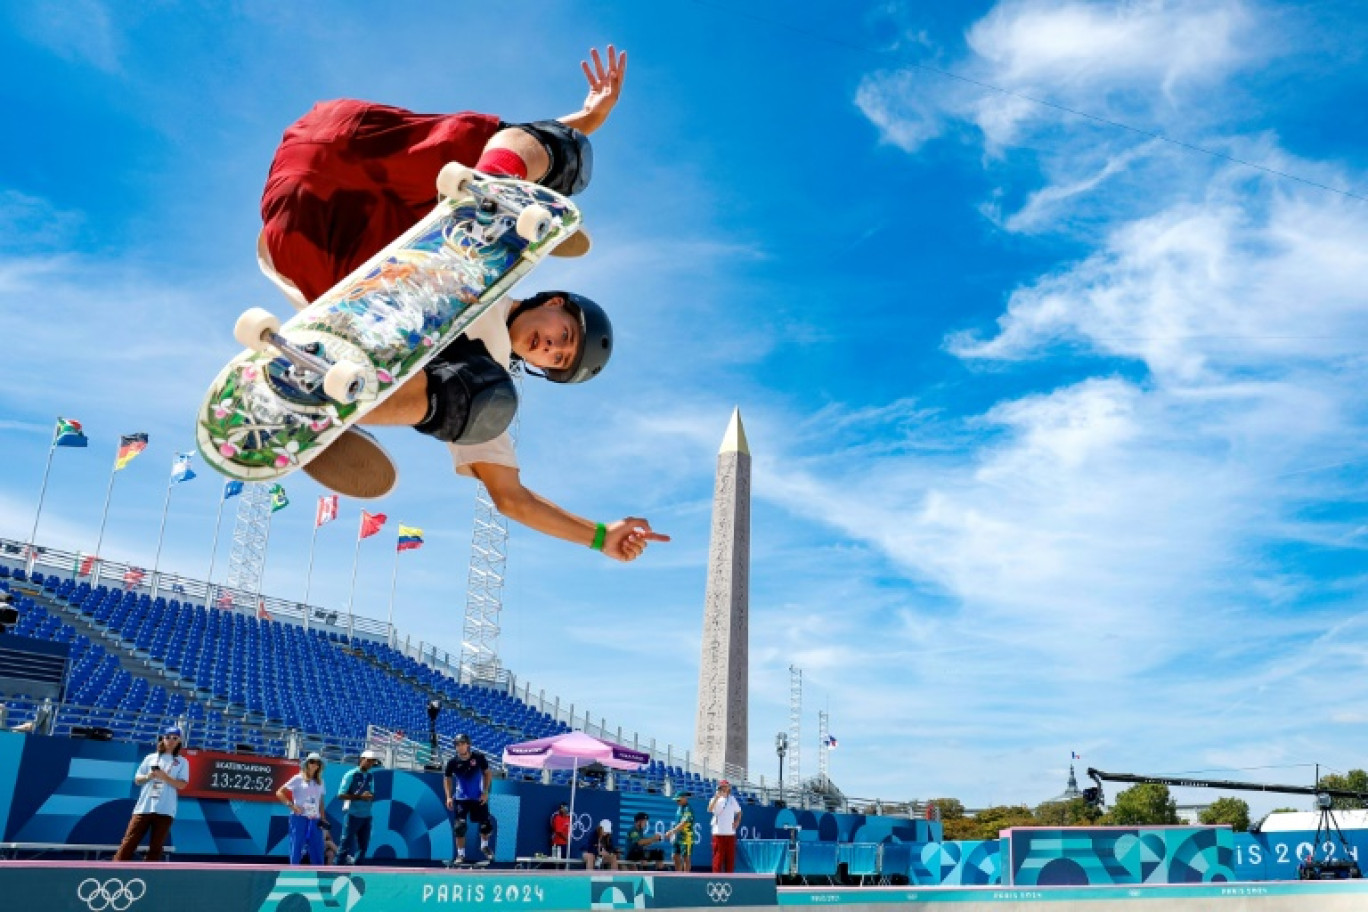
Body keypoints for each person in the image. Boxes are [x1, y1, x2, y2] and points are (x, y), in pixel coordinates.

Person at [257, 46, 668, 565]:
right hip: (357, 144)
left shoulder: (487, 362)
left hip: (307, 234)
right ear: (556, 302)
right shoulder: (509, 250)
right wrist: (584, 122)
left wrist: (599, 535)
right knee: (566, 157)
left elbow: (511, 498)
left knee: (485, 404)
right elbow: (523, 141)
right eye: (563, 336)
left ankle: (327, 399)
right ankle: (495, 190)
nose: (549, 347)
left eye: (555, 360)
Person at [113, 726, 190, 861]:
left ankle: (148, 875)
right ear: (162, 738)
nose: (170, 740)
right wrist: (150, 776)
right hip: (144, 806)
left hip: (166, 809)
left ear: (179, 741)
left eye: (175, 738)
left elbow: (182, 784)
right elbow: (137, 780)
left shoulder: (182, 762)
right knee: (129, 841)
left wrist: (164, 777)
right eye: (168, 737)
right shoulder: (150, 758)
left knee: (156, 847)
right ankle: (114, 870)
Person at [443, 733, 493, 864]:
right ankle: (460, 855)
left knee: (486, 826)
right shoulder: (452, 762)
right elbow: (447, 778)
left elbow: (487, 773)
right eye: (457, 745)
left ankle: (484, 846)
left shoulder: (479, 758)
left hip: (478, 797)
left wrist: (486, 792)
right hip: (461, 799)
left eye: (462, 744)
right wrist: (448, 796)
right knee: (459, 827)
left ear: (468, 745)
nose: (459, 747)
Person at [277, 752, 328, 865]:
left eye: (317, 762)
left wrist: (323, 817)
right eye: (312, 761)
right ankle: (294, 871)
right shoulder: (298, 778)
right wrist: (292, 806)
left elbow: (320, 801)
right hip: (299, 817)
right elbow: (279, 792)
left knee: (317, 847)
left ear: (320, 765)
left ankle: (319, 873)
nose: (314, 764)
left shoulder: (320, 781)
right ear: (307, 763)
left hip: (315, 818)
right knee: (296, 845)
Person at [335, 749, 382, 864]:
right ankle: (336, 870)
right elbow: (340, 795)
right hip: (352, 814)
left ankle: (356, 871)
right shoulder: (351, 774)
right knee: (345, 843)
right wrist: (360, 797)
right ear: (361, 759)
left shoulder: (370, 776)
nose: (370, 764)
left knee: (363, 846)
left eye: (372, 762)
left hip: (366, 816)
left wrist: (370, 796)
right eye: (368, 761)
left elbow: (373, 794)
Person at [707, 780, 743, 873]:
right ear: (719, 788)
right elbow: (709, 809)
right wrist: (716, 797)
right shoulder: (714, 799)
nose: (724, 788)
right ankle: (716, 880)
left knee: (730, 860)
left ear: (729, 788)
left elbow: (739, 811)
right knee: (718, 859)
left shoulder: (732, 799)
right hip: (718, 833)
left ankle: (729, 880)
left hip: (730, 833)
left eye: (726, 786)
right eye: (722, 786)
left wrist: (737, 821)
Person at [664, 791, 695, 872]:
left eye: (678, 800)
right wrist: (674, 832)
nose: (677, 802)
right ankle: (678, 874)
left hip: (686, 837)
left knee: (685, 857)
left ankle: (686, 876)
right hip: (678, 835)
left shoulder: (688, 809)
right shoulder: (679, 808)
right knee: (674, 855)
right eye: (676, 800)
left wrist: (672, 832)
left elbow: (684, 823)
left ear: (685, 798)